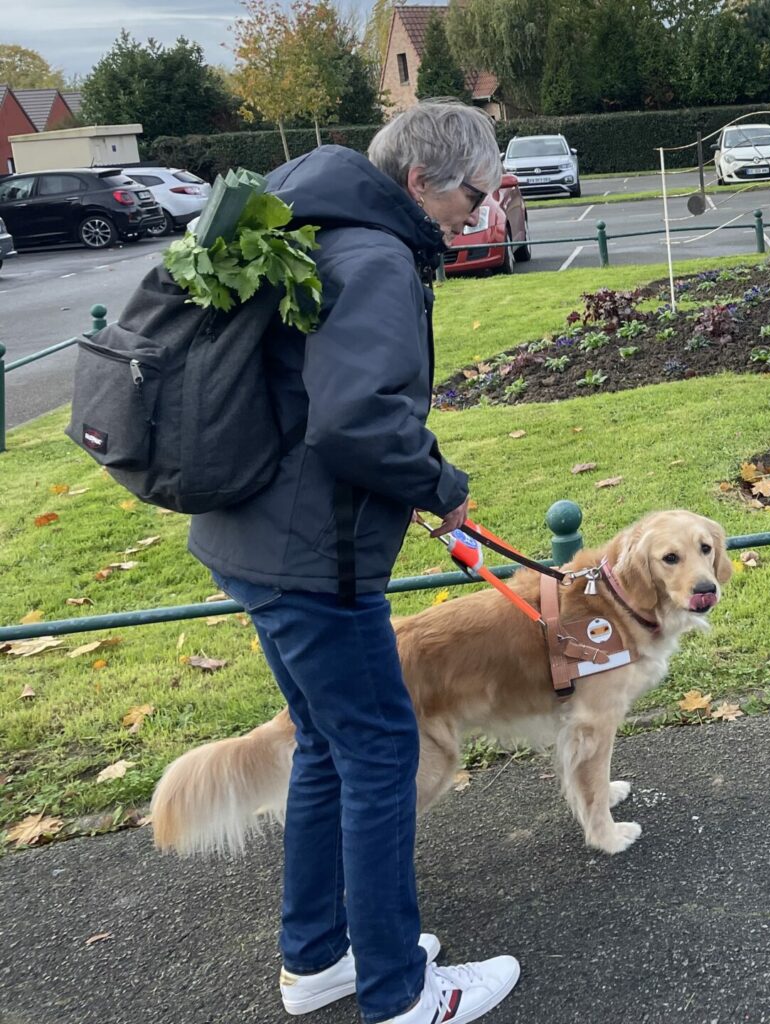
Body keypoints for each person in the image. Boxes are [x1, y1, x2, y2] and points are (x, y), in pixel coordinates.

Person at [187, 101, 520, 1024]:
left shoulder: (326, 229)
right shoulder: (374, 256)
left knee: (330, 751)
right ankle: (398, 991)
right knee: (379, 752)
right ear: (421, 182)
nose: (479, 211)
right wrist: (441, 484)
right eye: (473, 193)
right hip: (311, 558)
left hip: (255, 540)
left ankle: (317, 961)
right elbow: (358, 422)